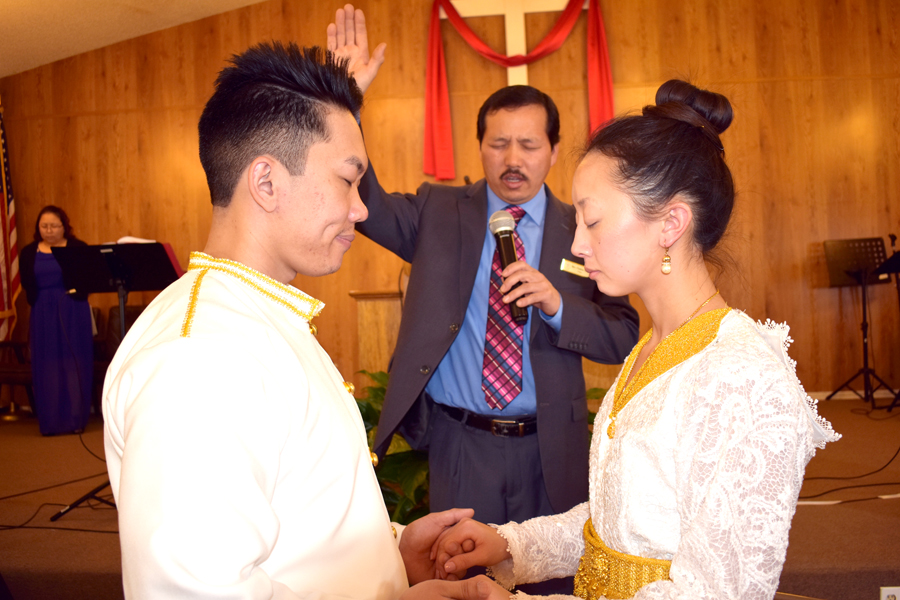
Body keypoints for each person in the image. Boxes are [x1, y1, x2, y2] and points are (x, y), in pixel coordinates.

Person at [103, 42, 496, 600]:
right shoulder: (202, 357)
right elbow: (196, 591)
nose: (361, 209)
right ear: (266, 183)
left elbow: (296, 511)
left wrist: (389, 554)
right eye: (347, 180)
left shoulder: (258, 316)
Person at [429, 80, 841, 600]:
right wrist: (512, 543)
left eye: (593, 220)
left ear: (670, 223)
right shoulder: (649, 350)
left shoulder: (742, 376)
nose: (577, 244)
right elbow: (623, 525)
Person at [327, 6, 640, 559]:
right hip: (460, 444)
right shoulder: (438, 210)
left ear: (554, 151)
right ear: (480, 147)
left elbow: (624, 335)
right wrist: (345, 101)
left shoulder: (581, 229)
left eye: (529, 145)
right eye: (498, 144)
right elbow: (365, 200)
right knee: (460, 572)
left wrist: (557, 306)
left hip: (550, 445)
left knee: (551, 575)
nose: (513, 159)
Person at [19, 205, 93, 435]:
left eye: (54, 226)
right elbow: (27, 284)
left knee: (73, 361)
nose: (49, 230)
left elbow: (87, 279)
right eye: (44, 226)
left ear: (64, 227)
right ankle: (50, 421)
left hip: (73, 309)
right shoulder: (29, 252)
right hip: (42, 312)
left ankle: (75, 419)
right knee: (47, 363)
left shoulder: (78, 248)